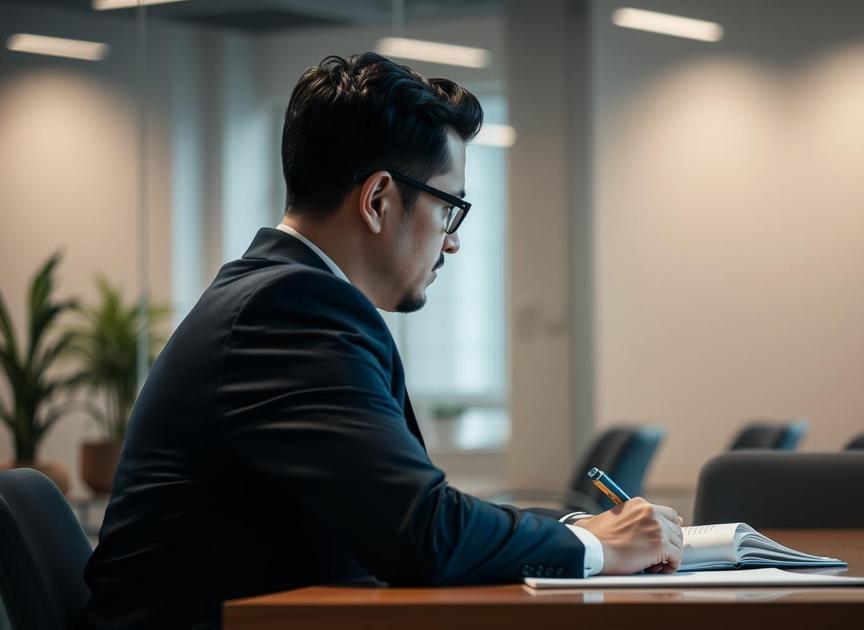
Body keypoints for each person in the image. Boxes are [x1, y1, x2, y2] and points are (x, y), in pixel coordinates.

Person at [81, 53, 683, 630]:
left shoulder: (281, 296)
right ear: (376, 201)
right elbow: (420, 532)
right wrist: (592, 545)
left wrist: (583, 529)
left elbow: (405, 514)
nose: (451, 242)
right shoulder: (289, 310)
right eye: (450, 209)